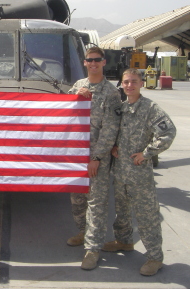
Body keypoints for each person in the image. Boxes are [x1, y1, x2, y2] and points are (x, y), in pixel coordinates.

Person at [102, 68, 176, 276]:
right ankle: (124, 241)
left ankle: (154, 257)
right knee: (122, 212)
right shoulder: (122, 108)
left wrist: (147, 153)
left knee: (147, 216)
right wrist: (114, 146)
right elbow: (114, 131)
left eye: (134, 81)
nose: (129, 85)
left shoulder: (150, 108)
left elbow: (168, 132)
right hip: (120, 172)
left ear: (141, 83)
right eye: (126, 82)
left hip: (139, 174)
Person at [66, 47, 122, 270]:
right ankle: (83, 231)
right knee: (77, 199)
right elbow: (63, 111)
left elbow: (110, 129)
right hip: (77, 154)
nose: (93, 64)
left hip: (97, 156)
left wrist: (97, 157)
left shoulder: (111, 93)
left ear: (104, 62)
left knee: (96, 203)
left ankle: (93, 248)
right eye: (90, 60)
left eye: (97, 60)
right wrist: (75, 96)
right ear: (85, 62)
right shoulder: (79, 85)